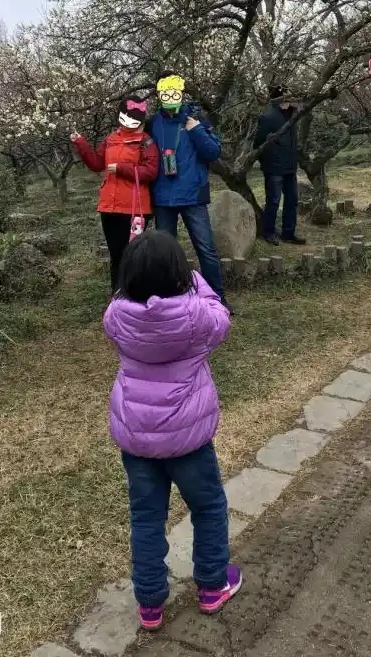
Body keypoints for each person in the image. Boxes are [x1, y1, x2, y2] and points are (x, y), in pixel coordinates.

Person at [104, 230, 241, 631]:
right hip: (189, 443)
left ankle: (149, 605)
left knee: (146, 518)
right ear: (181, 276)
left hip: (137, 439)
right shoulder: (197, 316)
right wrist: (198, 282)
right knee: (208, 507)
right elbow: (221, 319)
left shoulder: (116, 317)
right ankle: (213, 586)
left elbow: (119, 303)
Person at [146, 72, 231, 312]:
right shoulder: (153, 123)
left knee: (206, 248)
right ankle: (169, 300)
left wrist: (195, 129)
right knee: (165, 253)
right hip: (163, 197)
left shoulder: (196, 118)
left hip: (193, 195)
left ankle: (216, 298)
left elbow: (213, 153)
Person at [71, 97, 159, 292]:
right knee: (116, 255)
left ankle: (137, 295)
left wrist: (121, 168)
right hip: (109, 206)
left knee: (134, 254)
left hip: (134, 208)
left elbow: (151, 172)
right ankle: (118, 297)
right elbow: (97, 164)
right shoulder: (111, 139)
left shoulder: (146, 141)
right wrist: (81, 143)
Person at [253, 86, 306, 246]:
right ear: (279, 99)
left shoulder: (293, 116)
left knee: (292, 200)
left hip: (290, 166)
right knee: (274, 201)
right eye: (287, 97)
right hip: (274, 168)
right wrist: (267, 163)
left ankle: (288, 233)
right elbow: (258, 144)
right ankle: (268, 232)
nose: (291, 100)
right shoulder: (268, 117)